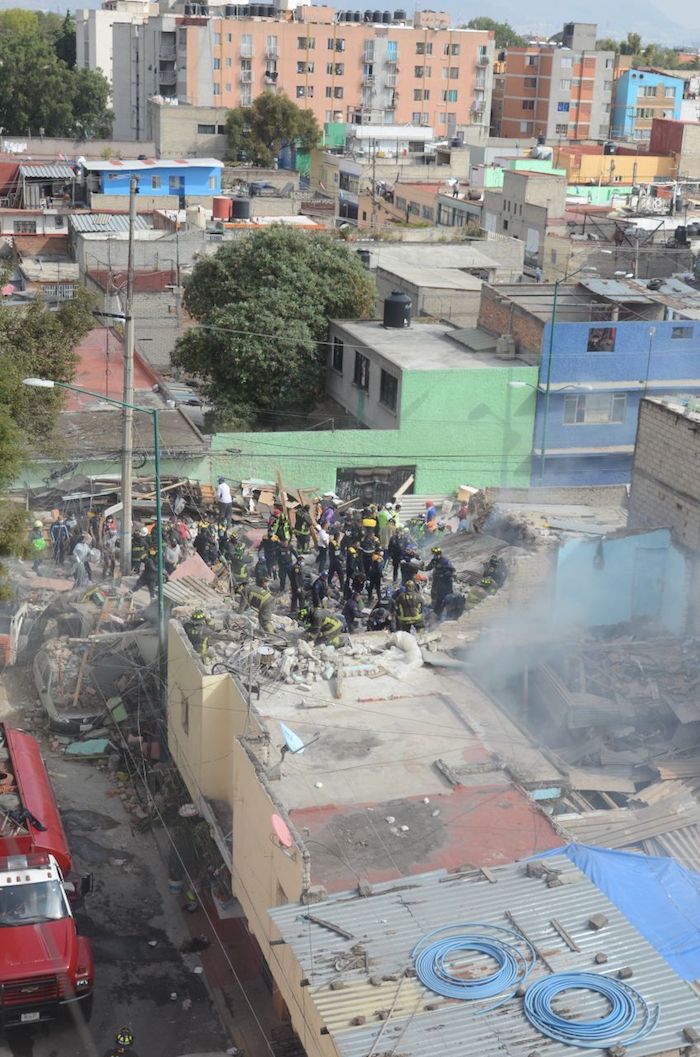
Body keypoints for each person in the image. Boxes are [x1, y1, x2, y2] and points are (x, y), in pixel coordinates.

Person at [426, 547, 455, 617]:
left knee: (446, 596)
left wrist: (443, 575)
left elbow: (452, 570)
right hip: (437, 581)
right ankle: (435, 608)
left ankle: (450, 612)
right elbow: (428, 567)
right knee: (434, 593)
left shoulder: (445, 561)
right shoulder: (434, 561)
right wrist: (419, 566)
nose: (435, 556)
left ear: (440, 554)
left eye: (436, 554)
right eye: (434, 554)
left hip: (446, 581)